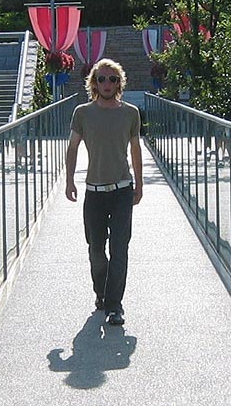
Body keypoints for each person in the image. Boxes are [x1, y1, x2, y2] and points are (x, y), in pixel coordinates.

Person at [65, 58, 143, 326]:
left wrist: (139, 185)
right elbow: (73, 147)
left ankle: (115, 305)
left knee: (120, 248)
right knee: (96, 249)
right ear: (93, 83)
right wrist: (69, 181)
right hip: (94, 192)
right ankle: (101, 293)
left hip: (122, 189)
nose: (107, 83)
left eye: (112, 79)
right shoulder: (82, 113)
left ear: (119, 83)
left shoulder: (131, 112)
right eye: (101, 79)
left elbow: (135, 150)